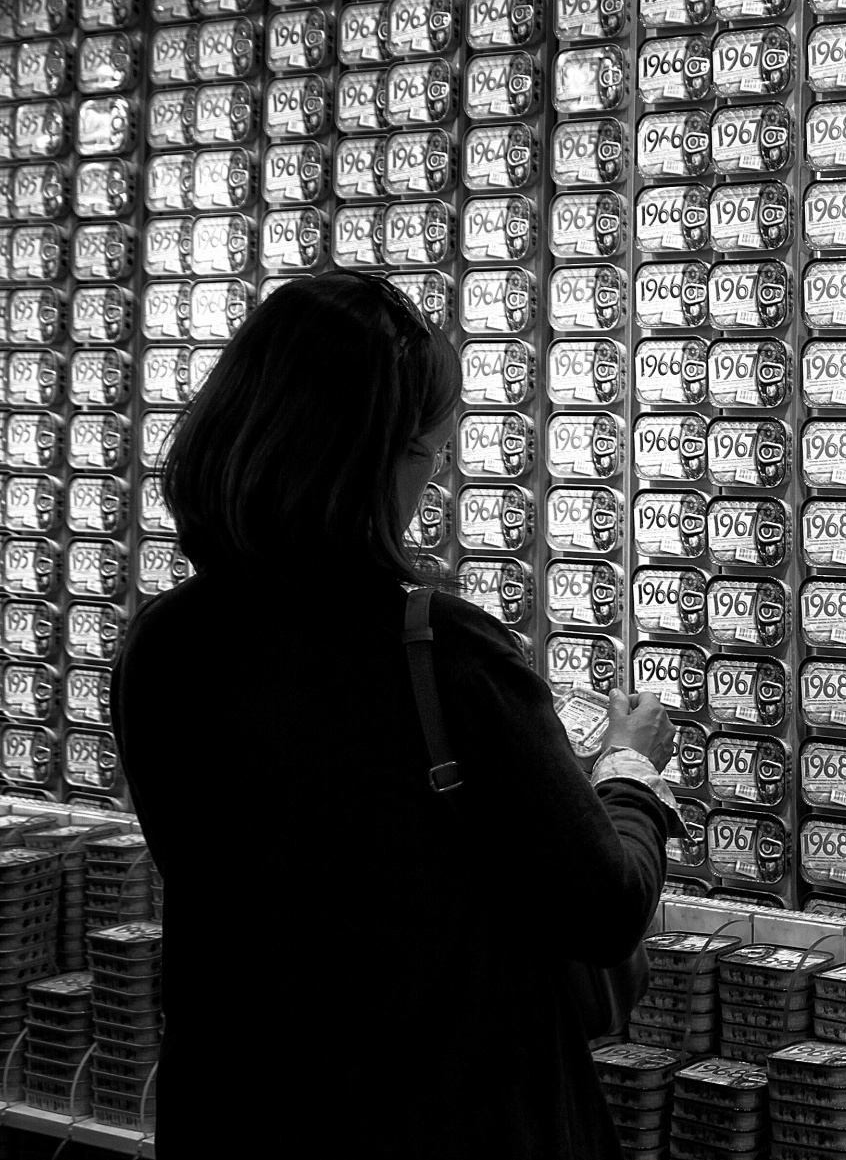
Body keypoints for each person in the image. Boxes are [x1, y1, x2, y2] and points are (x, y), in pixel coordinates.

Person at [114, 272, 678, 1159]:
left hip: (237, 1109)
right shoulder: (440, 650)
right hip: (443, 1116)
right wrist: (629, 769)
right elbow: (605, 907)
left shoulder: (163, 644)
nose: (429, 485)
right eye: (429, 455)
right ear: (376, 458)